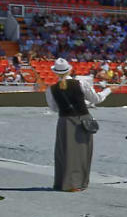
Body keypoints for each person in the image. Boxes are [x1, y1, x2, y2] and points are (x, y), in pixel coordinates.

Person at [45, 57, 110, 191]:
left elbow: (54, 108)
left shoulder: (51, 89)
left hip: (65, 121)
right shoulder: (80, 83)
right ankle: (78, 183)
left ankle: (64, 183)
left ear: (55, 72)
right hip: (82, 119)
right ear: (69, 70)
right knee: (82, 152)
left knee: (65, 152)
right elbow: (96, 99)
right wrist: (108, 90)